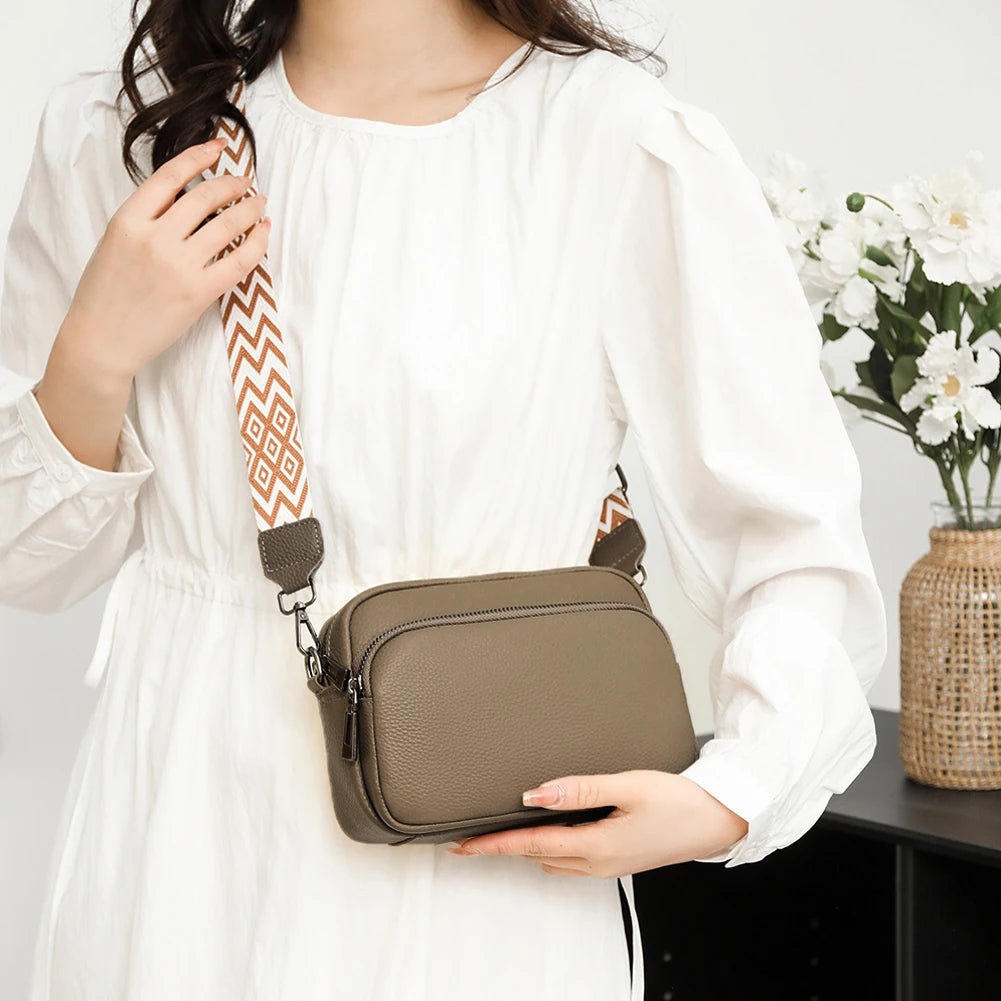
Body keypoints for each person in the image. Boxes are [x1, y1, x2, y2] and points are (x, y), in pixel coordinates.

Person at [0, 1, 887, 998]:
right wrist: (94, 353)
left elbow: (793, 540)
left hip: (476, 866)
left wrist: (739, 786)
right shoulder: (125, 134)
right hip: (174, 846)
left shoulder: (607, 140)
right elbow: (29, 564)